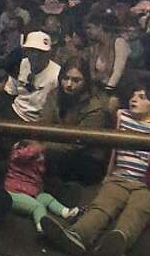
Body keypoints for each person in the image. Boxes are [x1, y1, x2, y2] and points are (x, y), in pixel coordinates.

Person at [41, 80, 150, 256]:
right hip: (119, 178)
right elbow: (108, 118)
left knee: (136, 213)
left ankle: (117, 244)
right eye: (133, 96)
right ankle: (78, 235)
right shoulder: (122, 117)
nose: (134, 99)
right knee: (102, 206)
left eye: (142, 98)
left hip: (148, 185)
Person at [43, 57, 113, 185]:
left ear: (86, 81)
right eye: (65, 78)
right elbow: (42, 124)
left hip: (85, 157)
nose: (69, 84)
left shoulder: (96, 106)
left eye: (76, 80)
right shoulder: (54, 95)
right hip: (55, 148)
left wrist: (43, 146)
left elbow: (79, 143)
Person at [4, 139, 82, 233]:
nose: (41, 157)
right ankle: (41, 226)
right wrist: (38, 146)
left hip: (30, 192)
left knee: (46, 197)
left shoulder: (36, 156)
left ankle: (65, 212)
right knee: (38, 207)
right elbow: (26, 154)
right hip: (13, 193)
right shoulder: (17, 152)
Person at [1, 31, 61, 124]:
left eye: (41, 52)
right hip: (17, 112)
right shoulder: (20, 65)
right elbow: (10, 92)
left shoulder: (57, 74)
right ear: (26, 52)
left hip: (41, 120)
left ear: (49, 53)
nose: (36, 55)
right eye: (32, 51)